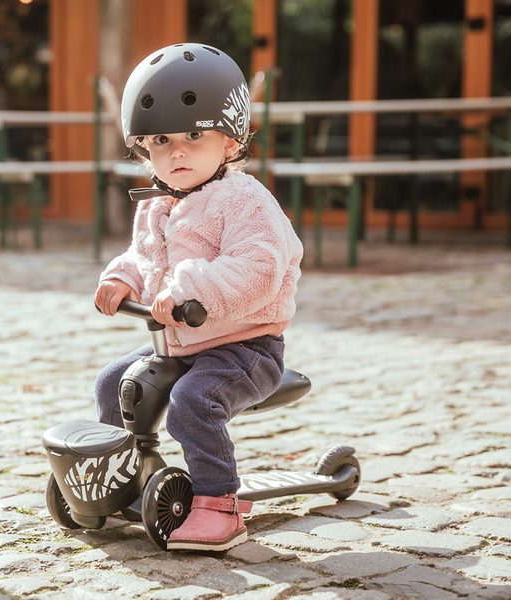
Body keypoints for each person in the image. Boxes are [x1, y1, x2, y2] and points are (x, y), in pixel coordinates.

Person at [94, 43, 303, 551]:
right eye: (161, 140)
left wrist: (191, 287)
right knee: (112, 384)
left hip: (245, 347)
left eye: (194, 135)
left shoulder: (245, 201)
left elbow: (261, 268)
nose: (177, 152)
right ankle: (123, 473)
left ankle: (219, 504)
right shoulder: (159, 203)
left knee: (193, 402)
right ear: (143, 146)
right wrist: (123, 279)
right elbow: (145, 259)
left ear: (231, 143)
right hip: (180, 345)